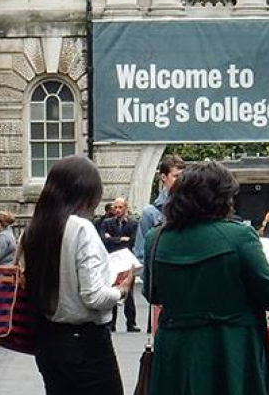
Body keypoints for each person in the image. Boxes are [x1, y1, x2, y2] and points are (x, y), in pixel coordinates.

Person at [143, 161, 269, 395]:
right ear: (220, 198)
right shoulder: (239, 236)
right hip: (230, 348)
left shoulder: (157, 238)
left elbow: (152, 293)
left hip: (175, 349)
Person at [23, 156, 131, 393]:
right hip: (85, 342)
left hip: (46, 338)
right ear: (87, 191)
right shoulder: (81, 228)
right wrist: (121, 289)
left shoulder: (34, 228)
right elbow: (93, 296)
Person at [96, 198, 139, 332]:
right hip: (112, 260)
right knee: (113, 289)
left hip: (127, 260)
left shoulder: (133, 224)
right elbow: (104, 240)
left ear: (125, 208)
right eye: (115, 207)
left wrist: (112, 239)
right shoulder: (107, 223)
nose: (117, 210)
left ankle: (131, 322)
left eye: (120, 207)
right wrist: (121, 239)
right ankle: (111, 323)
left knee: (128, 292)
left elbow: (132, 241)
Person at [134, 155, 184, 264]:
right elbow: (141, 254)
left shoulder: (192, 208)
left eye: (183, 176)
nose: (181, 180)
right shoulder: (150, 213)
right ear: (164, 177)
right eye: (176, 176)